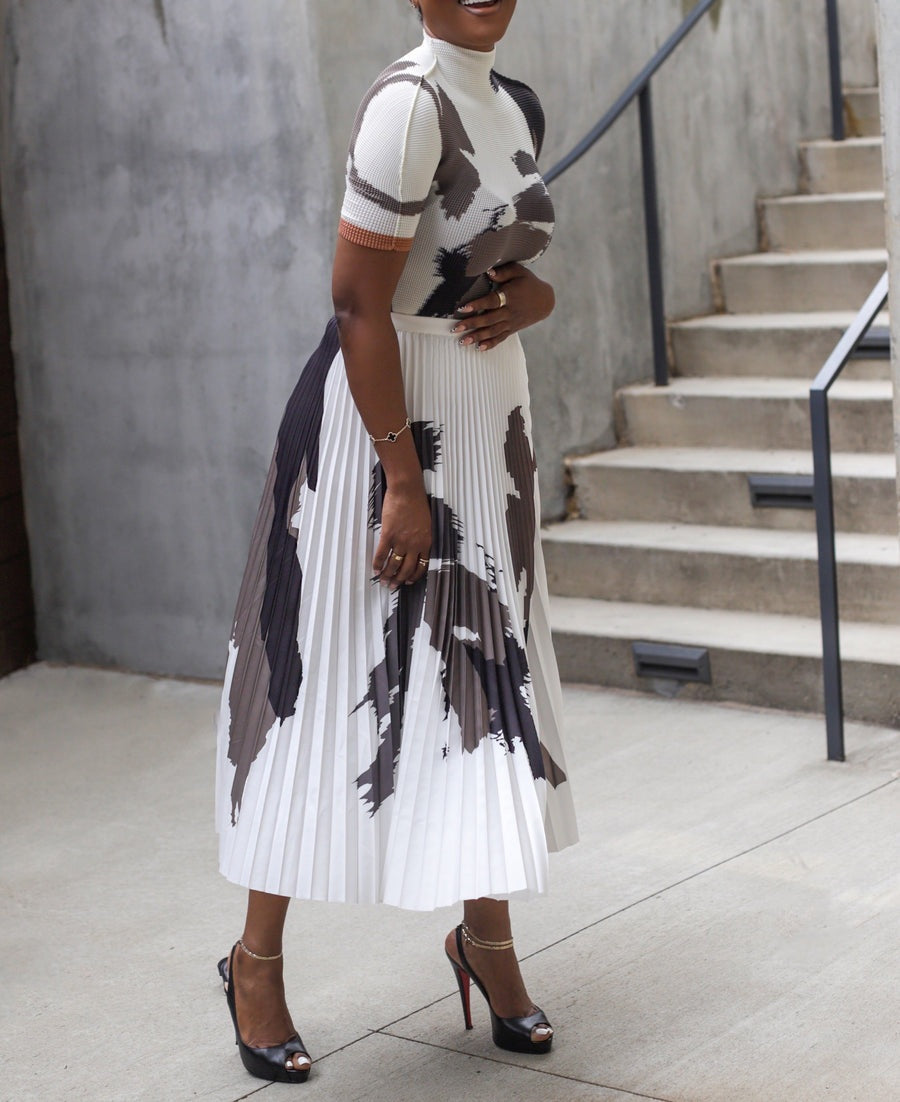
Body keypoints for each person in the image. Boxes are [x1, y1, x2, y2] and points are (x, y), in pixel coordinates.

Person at [214, 0, 578, 1084]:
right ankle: (253, 963)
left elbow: (489, 267)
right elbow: (357, 304)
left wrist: (535, 299)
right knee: (321, 690)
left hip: (485, 421)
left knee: (484, 686)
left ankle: (487, 940)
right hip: (390, 430)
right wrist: (402, 482)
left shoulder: (511, 103)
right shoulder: (408, 104)